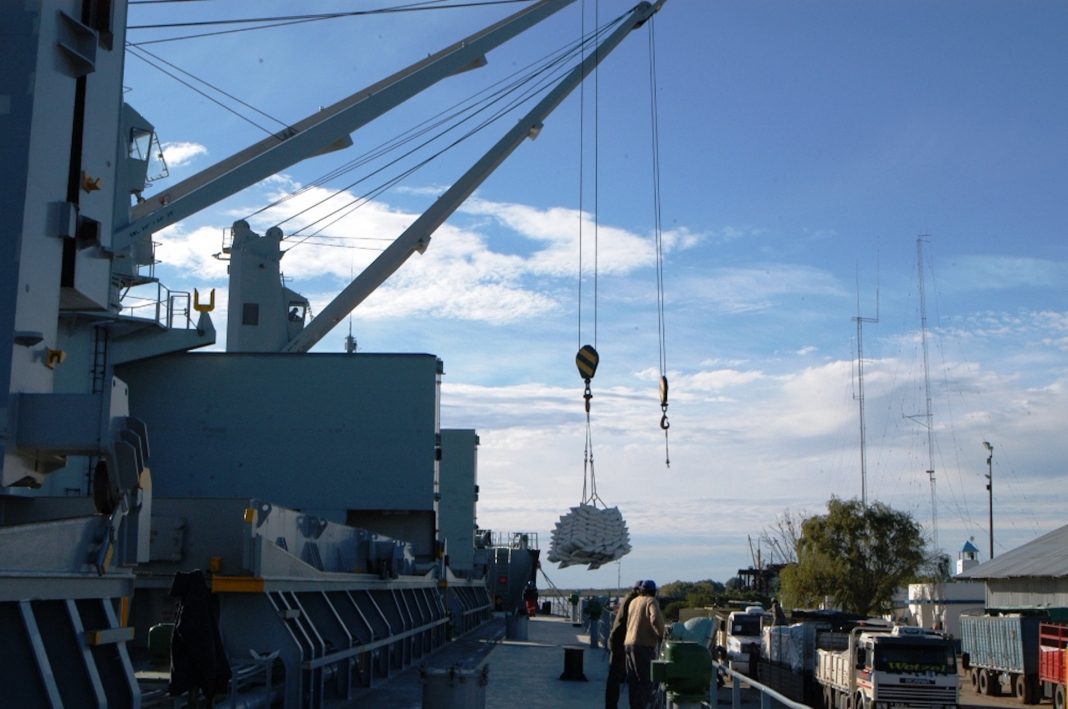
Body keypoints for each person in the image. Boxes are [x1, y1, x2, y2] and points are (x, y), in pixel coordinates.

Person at [624, 579, 665, 709]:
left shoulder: (633, 602)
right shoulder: (651, 601)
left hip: (628, 644)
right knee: (646, 681)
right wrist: (661, 635)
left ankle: (633, 706)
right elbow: (655, 619)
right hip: (643, 645)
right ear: (653, 591)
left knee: (633, 681)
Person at [606, 581, 643, 709]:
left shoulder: (628, 598)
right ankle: (611, 705)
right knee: (615, 677)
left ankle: (611, 705)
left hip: (617, 640)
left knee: (615, 677)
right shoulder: (633, 601)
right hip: (619, 642)